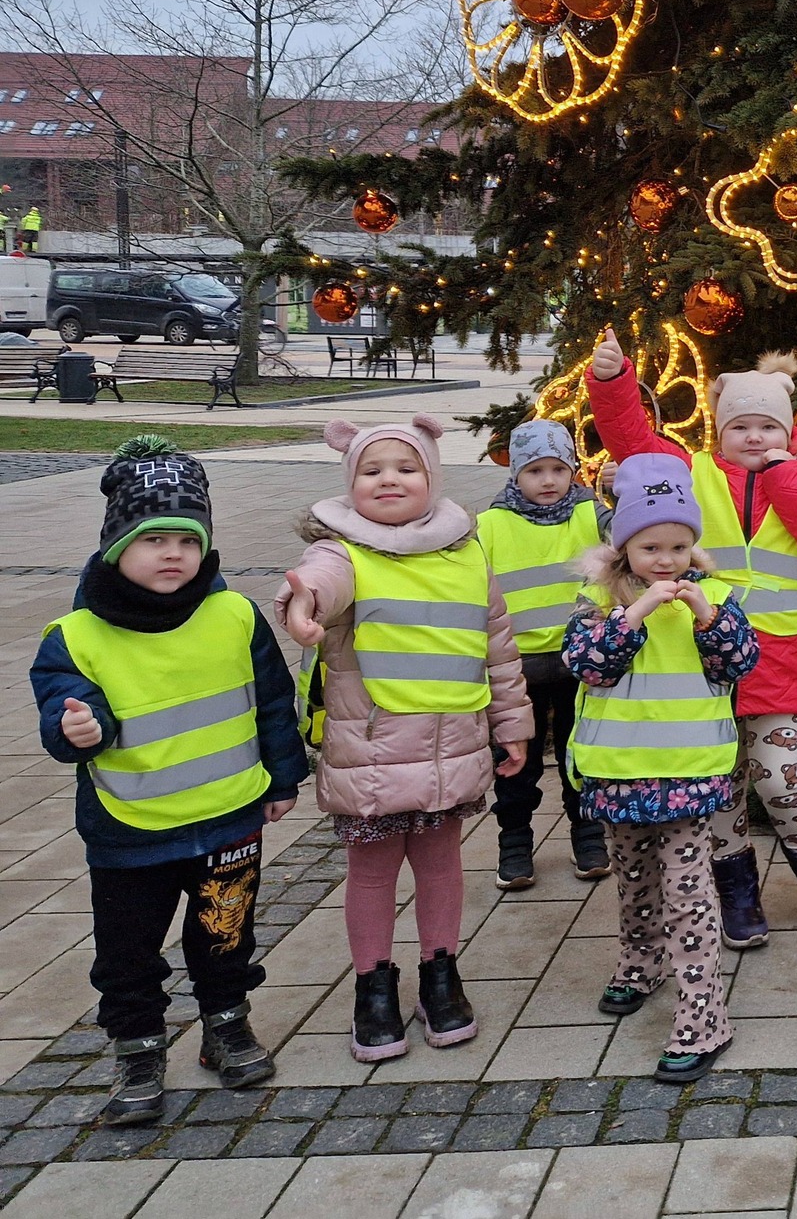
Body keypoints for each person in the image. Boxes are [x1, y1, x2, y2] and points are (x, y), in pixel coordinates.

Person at [32, 438, 307, 1125]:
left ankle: (226, 1024)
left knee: (225, 935)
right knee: (126, 953)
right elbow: (63, 710)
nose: (172, 554)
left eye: (187, 539)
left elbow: (273, 702)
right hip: (131, 830)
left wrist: (284, 778)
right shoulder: (75, 636)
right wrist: (79, 728)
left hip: (228, 817)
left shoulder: (234, 615)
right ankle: (137, 1047)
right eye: (152, 539)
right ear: (115, 546)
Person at [276, 416, 530, 1063]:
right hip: (372, 755)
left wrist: (513, 725)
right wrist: (301, 606)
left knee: (442, 864)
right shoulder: (342, 549)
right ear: (351, 482)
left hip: (453, 745)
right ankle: (374, 987)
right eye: (372, 470)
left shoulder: (467, 551)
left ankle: (441, 974)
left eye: (405, 468)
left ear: (432, 477)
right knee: (372, 873)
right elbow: (317, 583)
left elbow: (499, 648)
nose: (388, 479)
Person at [584, 331, 797, 941]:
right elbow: (633, 444)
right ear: (719, 430)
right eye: (740, 426)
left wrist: (784, 476)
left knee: (780, 778)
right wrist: (613, 382)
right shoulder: (691, 473)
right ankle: (737, 892)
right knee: (722, 783)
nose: (754, 437)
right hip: (700, 657)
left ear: (789, 431)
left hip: (781, 656)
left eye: (768, 426)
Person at [563, 454, 758, 1081]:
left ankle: (704, 1014)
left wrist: (707, 616)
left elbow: (738, 662)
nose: (667, 561)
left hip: (689, 777)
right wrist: (636, 612)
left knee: (688, 893)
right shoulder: (598, 601)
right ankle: (640, 962)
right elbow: (588, 665)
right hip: (618, 772)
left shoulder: (716, 598)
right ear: (625, 548)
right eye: (651, 547)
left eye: (679, 547)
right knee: (634, 880)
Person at [476, 418, 612, 890]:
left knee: (582, 754)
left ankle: (588, 835)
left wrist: (624, 489)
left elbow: (632, 531)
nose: (549, 480)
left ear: (574, 469)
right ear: (515, 473)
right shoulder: (490, 526)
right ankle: (514, 842)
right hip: (517, 669)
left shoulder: (590, 513)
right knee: (517, 761)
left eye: (559, 468)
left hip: (582, 661)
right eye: (535, 470)